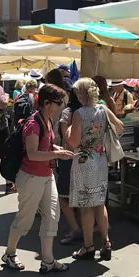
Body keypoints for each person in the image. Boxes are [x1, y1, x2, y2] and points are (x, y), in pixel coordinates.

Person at [2, 84, 74, 273]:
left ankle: (48, 260)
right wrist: (56, 154)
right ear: (47, 103)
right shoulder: (34, 123)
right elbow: (33, 154)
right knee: (25, 218)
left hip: (46, 175)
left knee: (52, 216)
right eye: (58, 102)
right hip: (31, 176)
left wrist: (58, 150)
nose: (60, 106)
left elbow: (46, 146)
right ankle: (10, 252)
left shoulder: (47, 120)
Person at [67, 78, 124, 261]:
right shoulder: (103, 109)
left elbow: (73, 142)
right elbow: (120, 127)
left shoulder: (79, 113)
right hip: (100, 160)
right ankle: (106, 242)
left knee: (85, 206)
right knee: (99, 203)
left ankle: (88, 245)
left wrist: (69, 131)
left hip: (84, 161)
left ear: (81, 95)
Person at [57, 91, 83, 245]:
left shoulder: (67, 113)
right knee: (80, 195)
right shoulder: (91, 111)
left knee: (64, 195)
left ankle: (74, 228)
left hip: (69, 156)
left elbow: (66, 138)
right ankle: (82, 227)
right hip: (86, 156)